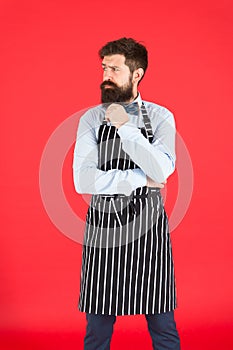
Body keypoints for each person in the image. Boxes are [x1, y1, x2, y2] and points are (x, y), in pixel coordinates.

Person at [73, 37, 180, 350]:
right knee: (97, 331)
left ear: (137, 74)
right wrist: (139, 178)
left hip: (150, 234)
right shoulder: (90, 119)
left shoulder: (161, 117)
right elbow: (83, 179)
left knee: (164, 328)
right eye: (104, 67)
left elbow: (160, 170)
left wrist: (124, 126)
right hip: (104, 232)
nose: (106, 74)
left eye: (115, 68)